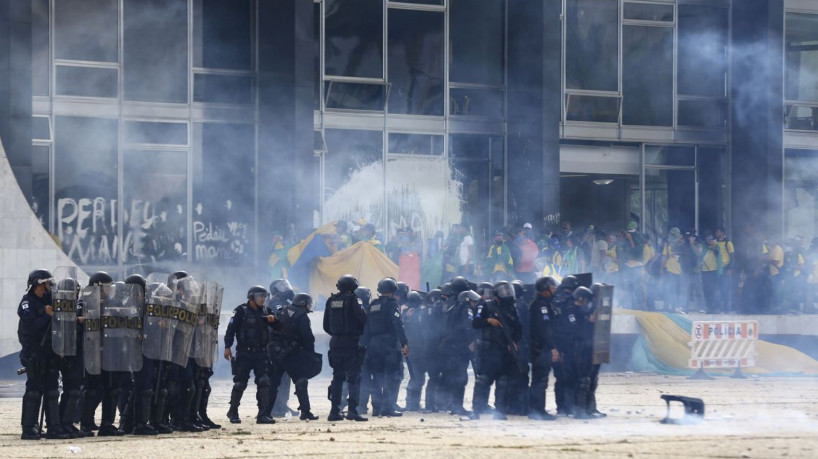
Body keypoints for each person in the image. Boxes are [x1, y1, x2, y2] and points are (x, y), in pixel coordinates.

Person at [18, 269, 70, 440]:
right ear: (37, 284)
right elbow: (32, 327)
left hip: (50, 351)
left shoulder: (50, 299)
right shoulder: (27, 303)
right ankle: (29, 427)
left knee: (52, 390)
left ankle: (54, 427)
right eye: (46, 283)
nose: (48, 286)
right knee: (34, 391)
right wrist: (48, 316)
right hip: (34, 352)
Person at [470, 281, 522, 420]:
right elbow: (475, 323)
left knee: (503, 381)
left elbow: (518, 328)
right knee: (483, 381)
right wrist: (488, 321)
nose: (507, 294)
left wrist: (514, 342)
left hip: (505, 350)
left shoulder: (511, 308)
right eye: (503, 291)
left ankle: (499, 412)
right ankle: (476, 410)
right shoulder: (485, 305)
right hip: (489, 349)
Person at [224, 285, 276, 424]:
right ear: (252, 297)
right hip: (244, 353)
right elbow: (231, 329)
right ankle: (233, 411)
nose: (263, 299)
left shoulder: (267, 311)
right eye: (260, 296)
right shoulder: (240, 310)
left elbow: (279, 328)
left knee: (264, 381)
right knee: (240, 383)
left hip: (261, 353)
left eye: (264, 296)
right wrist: (227, 347)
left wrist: (274, 321)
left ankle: (263, 414)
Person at [267, 293, 320, 421]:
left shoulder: (284, 310)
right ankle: (306, 412)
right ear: (302, 304)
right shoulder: (301, 316)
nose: (309, 306)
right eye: (308, 303)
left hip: (274, 351)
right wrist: (309, 352)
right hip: (288, 352)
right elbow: (307, 337)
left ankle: (265, 412)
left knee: (274, 382)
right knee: (300, 380)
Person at [323, 275, 368, 422]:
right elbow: (363, 318)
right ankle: (352, 411)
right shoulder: (354, 300)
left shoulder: (331, 300)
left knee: (337, 377)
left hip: (335, 342)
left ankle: (334, 411)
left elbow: (326, 325)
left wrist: (337, 334)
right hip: (351, 342)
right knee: (354, 378)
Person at [363, 278, 409, 417]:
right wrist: (404, 343)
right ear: (393, 290)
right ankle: (387, 408)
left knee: (376, 377)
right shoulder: (392, 304)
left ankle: (376, 408)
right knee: (392, 377)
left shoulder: (372, 305)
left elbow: (368, 326)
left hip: (373, 344)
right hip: (388, 344)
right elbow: (397, 324)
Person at [438, 290, 478, 416]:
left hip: (449, 347)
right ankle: (457, 407)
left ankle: (450, 405)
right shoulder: (466, 309)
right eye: (473, 301)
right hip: (459, 348)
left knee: (453, 377)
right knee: (461, 378)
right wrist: (473, 340)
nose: (474, 304)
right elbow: (468, 326)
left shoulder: (453, 308)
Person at [528, 276, 559, 420]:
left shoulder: (542, 303)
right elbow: (545, 329)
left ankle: (536, 410)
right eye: (552, 287)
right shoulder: (541, 305)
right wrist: (552, 347)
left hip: (539, 347)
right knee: (540, 381)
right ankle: (537, 411)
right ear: (545, 288)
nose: (554, 290)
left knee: (539, 380)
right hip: (541, 348)